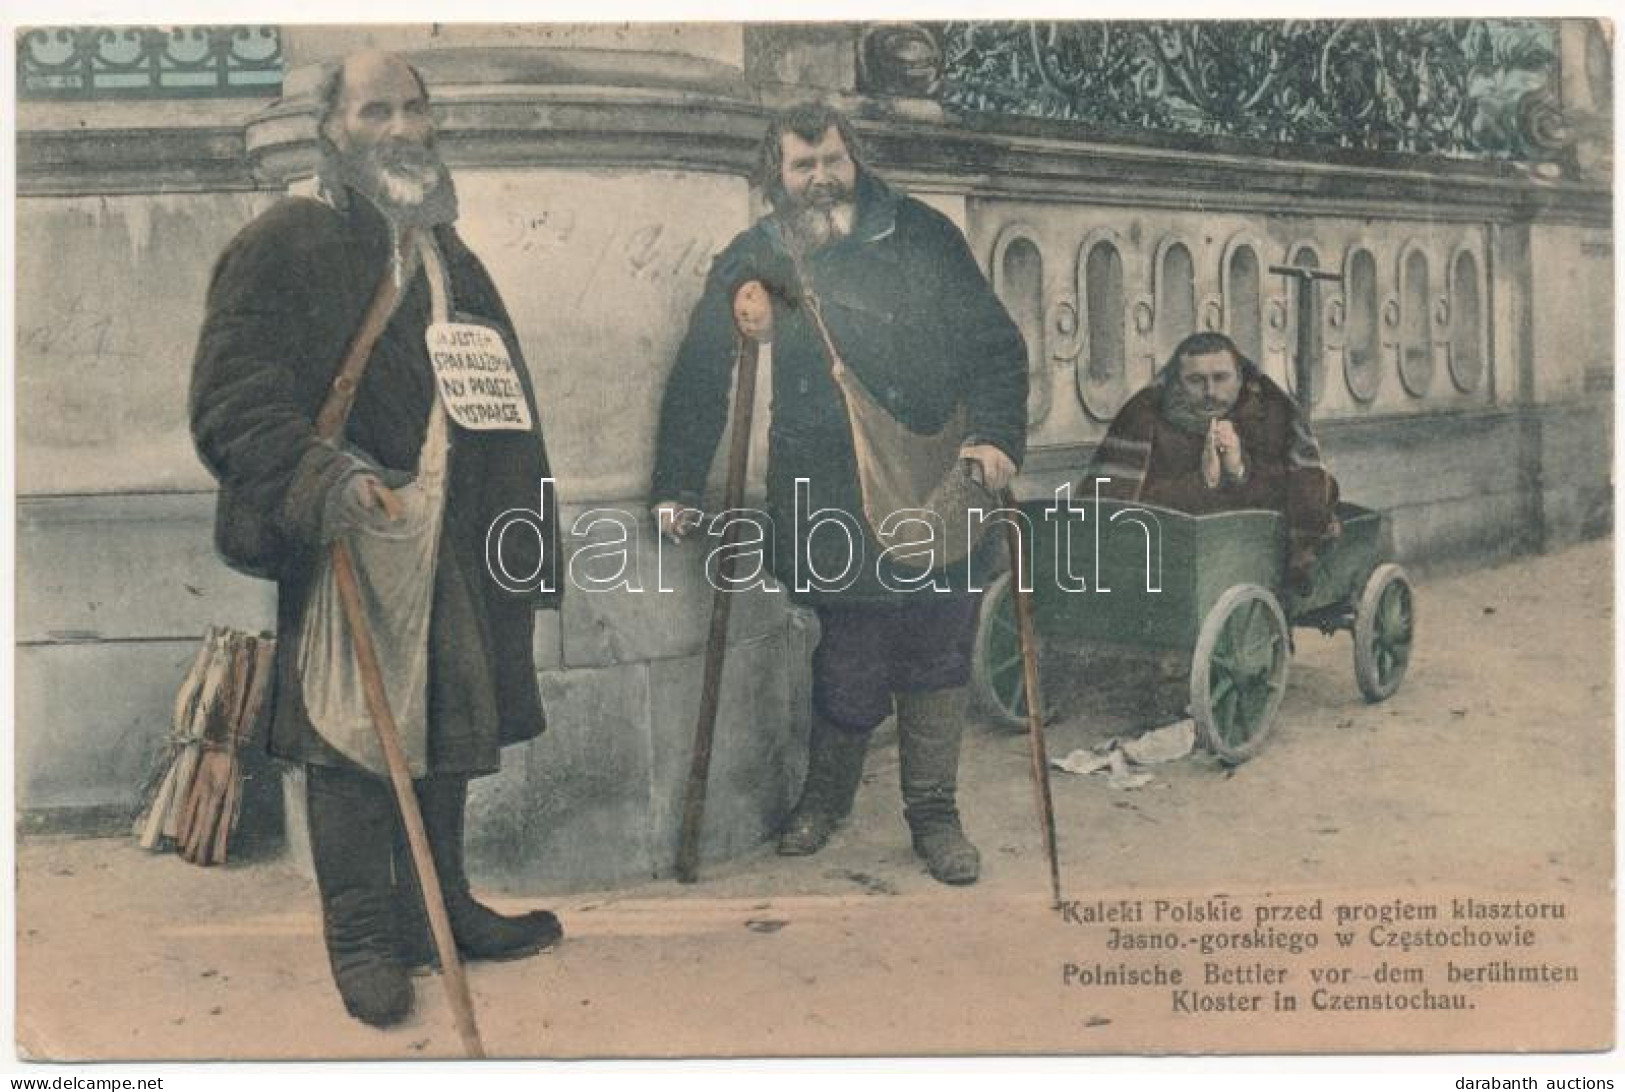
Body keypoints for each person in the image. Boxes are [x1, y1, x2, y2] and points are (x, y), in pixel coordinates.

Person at [190, 50, 564, 1028]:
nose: (401, 128)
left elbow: (496, 393)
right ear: (333, 132)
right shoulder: (287, 240)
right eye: (375, 111)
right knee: (352, 734)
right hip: (350, 534)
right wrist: (328, 479)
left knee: (447, 718)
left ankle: (437, 912)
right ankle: (361, 938)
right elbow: (234, 396)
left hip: (451, 534)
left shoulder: (447, 255)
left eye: (413, 109)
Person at [650, 104, 1028, 886]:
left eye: (831, 160)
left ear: (853, 157)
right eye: (801, 165)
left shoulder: (922, 232)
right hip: (826, 487)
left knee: (938, 640)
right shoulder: (759, 254)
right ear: (775, 176)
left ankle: (933, 815)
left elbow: (995, 344)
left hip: (935, 474)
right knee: (850, 644)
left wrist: (993, 436)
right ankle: (825, 800)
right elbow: (700, 366)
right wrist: (678, 482)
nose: (820, 179)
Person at [1086, 331, 1341, 587]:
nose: (1210, 391)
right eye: (1196, 380)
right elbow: (1121, 509)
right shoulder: (1144, 417)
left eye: (1221, 378)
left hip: (1252, 552)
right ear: (1176, 381)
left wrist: (1238, 470)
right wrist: (1205, 481)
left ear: (1240, 377)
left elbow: (1297, 493)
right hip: (1167, 559)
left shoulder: (1270, 412)